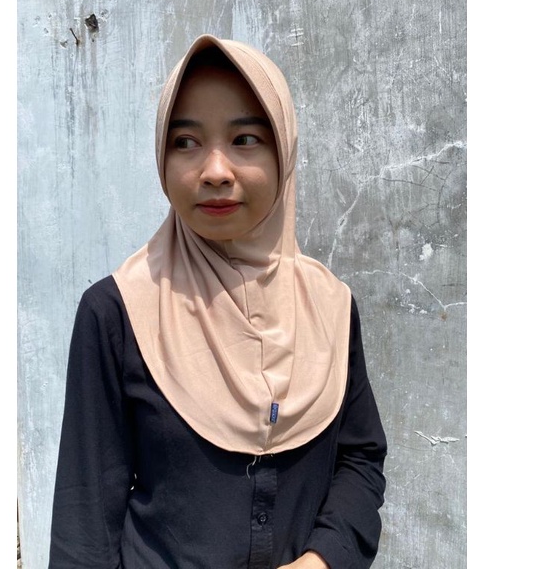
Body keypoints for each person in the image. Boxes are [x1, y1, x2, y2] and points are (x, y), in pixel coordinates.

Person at [48, 34, 387, 569]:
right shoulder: (119, 311)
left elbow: (359, 457)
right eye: (185, 142)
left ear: (284, 152)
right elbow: (83, 522)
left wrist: (324, 558)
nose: (214, 171)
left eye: (245, 139)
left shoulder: (330, 306)